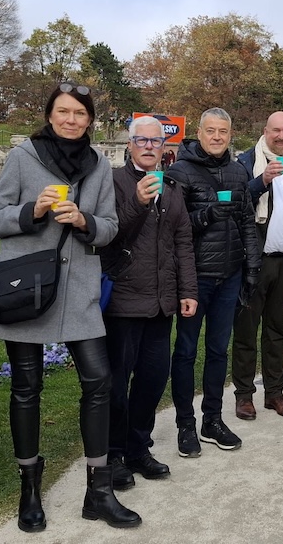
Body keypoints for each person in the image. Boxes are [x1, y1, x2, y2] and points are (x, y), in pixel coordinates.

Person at [0, 82, 140, 532]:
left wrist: (85, 221)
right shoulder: (22, 156)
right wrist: (32, 210)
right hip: (27, 289)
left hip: (80, 293)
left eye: (80, 114)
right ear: (50, 114)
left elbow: (109, 227)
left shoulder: (98, 167)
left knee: (99, 381)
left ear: (90, 120)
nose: (71, 120)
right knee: (26, 388)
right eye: (63, 112)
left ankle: (98, 491)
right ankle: (29, 487)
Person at [101, 115, 198, 489]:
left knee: (153, 380)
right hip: (124, 301)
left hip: (161, 303)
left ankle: (138, 447)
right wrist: (139, 203)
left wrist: (187, 291)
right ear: (129, 145)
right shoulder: (113, 182)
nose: (148, 147)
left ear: (164, 148)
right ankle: (112, 454)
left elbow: (183, 243)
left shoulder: (172, 187)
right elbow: (107, 236)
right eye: (141, 140)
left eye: (155, 142)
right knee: (117, 383)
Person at [167, 107, 261, 457]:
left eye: (223, 131)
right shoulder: (180, 170)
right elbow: (172, 227)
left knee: (219, 350)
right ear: (200, 132)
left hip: (229, 274)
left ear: (229, 134)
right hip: (195, 277)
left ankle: (212, 419)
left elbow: (247, 223)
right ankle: (185, 424)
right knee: (187, 351)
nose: (217, 137)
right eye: (211, 131)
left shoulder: (238, 171)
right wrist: (206, 214)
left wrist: (252, 267)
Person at [232, 111, 283, 420]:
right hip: (256, 260)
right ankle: (243, 395)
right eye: (276, 130)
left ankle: (275, 393)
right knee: (245, 331)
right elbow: (237, 203)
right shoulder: (245, 163)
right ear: (265, 131)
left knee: (276, 330)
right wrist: (261, 181)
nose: (281, 136)